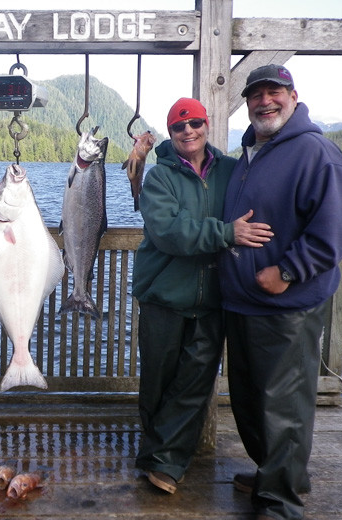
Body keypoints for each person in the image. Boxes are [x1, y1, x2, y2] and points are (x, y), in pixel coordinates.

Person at [219, 65, 342, 520]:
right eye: (256, 94)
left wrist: (287, 270)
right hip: (242, 303)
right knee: (250, 401)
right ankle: (276, 473)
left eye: (274, 92)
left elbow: (339, 227)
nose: (265, 101)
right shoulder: (250, 152)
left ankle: (281, 502)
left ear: (293, 96)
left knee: (283, 405)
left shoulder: (316, 152)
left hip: (286, 306)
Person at [132, 97, 273, 494]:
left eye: (194, 123)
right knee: (158, 383)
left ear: (206, 125)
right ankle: (155, 454)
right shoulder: (159, 177)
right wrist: (226, 233)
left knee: (195, 385)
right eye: (179, 127)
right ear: (171, 133)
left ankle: (165, 463)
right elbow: (168, 231)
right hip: (163, 295)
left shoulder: (232, 170)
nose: (188, 131)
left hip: (214, 298)